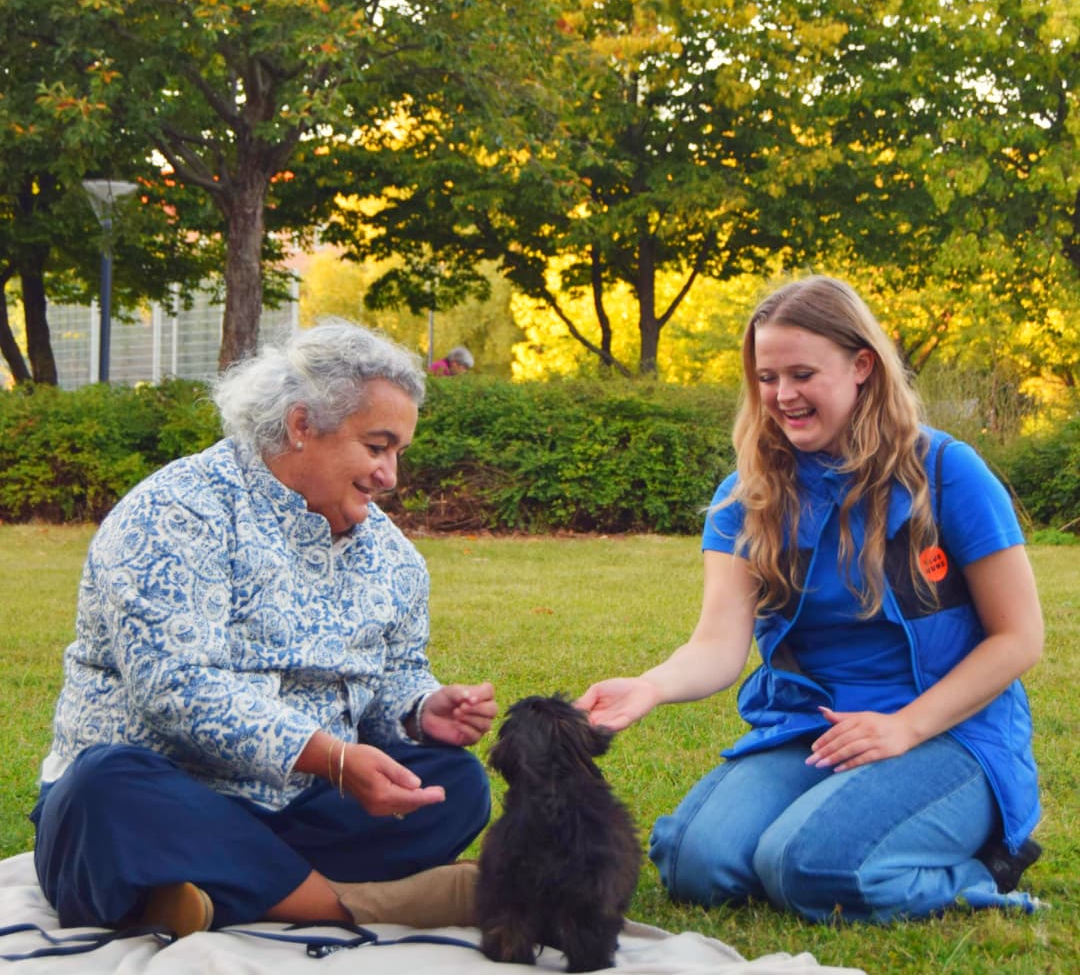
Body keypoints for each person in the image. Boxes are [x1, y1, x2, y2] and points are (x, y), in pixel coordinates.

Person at [578, 275, 1044, 923]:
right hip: (815, 730)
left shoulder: (945, 471)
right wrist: (650, 687)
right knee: (694, 862)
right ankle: (834, 833)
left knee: (807, 866)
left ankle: (980, 872)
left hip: (948, 733)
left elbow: (1019, 637)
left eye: (801, 374)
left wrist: (904, 727)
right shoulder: (748, 493)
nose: (782, 396)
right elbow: (718, 643)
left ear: (861, 366)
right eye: (767, 377)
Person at [30, 320, 497, 938]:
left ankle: (208, 891)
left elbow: (392, 677)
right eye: (377, 447)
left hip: (304, 805)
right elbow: (176, 687)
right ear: (303, 426)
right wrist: (330, 758)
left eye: (398, 454)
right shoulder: (177, 511)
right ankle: (353, 904)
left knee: (456, 784)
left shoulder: (393, 557)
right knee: (103, 787)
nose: (390, 476)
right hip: (167, 794)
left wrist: (421, 709)